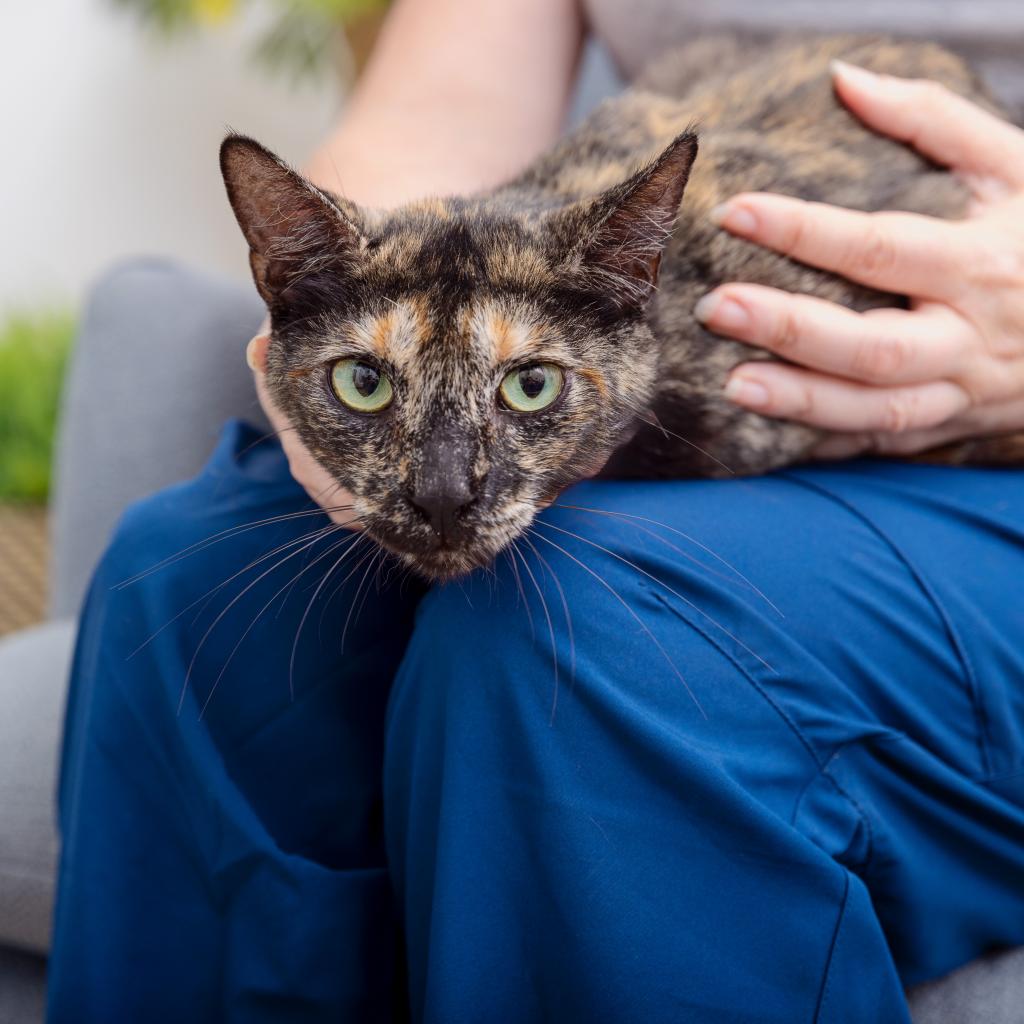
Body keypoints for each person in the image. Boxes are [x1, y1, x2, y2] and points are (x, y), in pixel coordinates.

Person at [47, 1, 1024, 1021]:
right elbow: (438, 109)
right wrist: (344, 300)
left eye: (525, 393)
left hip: (980, 471)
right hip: (579, 280)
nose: (442, 491)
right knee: (183, 589)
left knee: (562, 639)